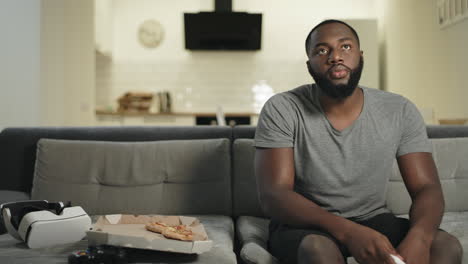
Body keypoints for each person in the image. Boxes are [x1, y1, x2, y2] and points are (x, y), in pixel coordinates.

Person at [254, 19, 463, 264]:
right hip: (307, 224)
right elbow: (274, 196)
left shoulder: (399, 109)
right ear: (309, 64)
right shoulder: (283, 108)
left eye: (345, 47)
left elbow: (427, 188)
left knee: (446, 246)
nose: (335, 57)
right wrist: (350, 232)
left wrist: (420, 238)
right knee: (319, 250)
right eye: (322, 50)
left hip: (374, 219)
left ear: (360, 55)